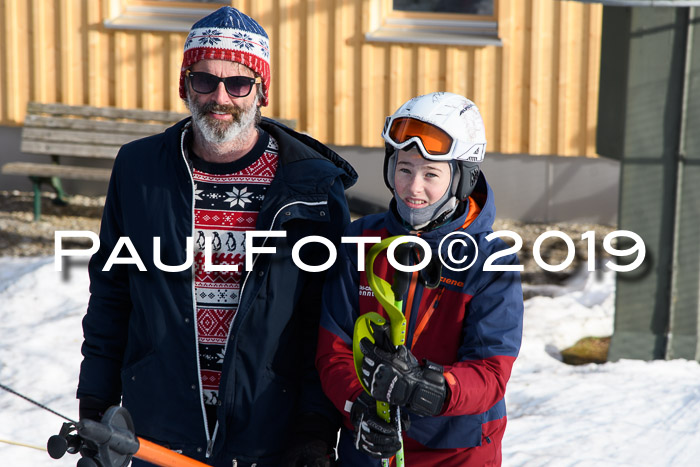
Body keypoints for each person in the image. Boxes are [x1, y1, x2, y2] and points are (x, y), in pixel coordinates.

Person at [77, 6, 356, 467]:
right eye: (205, 80)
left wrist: (315, 432)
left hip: (270, 430)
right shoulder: (139, 169)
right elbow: (111, 294)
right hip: (158, 429)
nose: (220, 97)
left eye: (238, 83)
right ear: (185, 85)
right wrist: (94, 404)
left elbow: (327, 323)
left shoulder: (312, 188)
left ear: (262, 91)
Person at [316, 92, 524, 466]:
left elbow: (491, 372)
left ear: (462, 179)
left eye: (431, 174)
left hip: (457, 450)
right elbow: (333, 349)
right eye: (405, 168)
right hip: (369, 445)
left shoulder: (490, 261)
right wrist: (359, 406)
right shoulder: (359, 243)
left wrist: (430, 387)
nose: (413, 188)